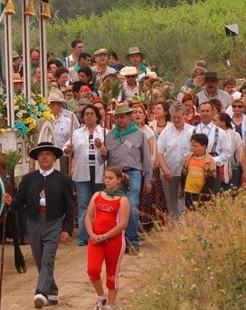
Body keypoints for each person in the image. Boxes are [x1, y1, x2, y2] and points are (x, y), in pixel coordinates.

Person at [3, 142, 74, 309]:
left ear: (54, 157)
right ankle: (53, 292)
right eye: (41, 154)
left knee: (47, 259)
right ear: (37, 158)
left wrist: (66, 228)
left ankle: (41, 292)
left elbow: (70, 206)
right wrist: (10, 202)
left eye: (48, 154)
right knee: (39, 260)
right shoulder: (29, 179)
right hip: (34, 221)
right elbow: (20, 200)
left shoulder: (63, 179)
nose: (44, 157)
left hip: (54, 221)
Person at [103, 103, 152, 254]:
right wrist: (102, 153)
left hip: (133, 173)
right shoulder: (110, 135)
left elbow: (146, 159)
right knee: (115, 207)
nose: (119, 119)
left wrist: (148, 179)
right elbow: (102, 160)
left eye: (122, 116)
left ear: (129, 116)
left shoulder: (139, 134)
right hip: (115, 174)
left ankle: (133, 240)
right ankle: (118, 241)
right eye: (117, 116)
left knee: (131, 205)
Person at [85, 167, 130, 310]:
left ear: (119, 180)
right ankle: (101, 295)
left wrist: (105, 236)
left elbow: (122, 224)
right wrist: (91, 234)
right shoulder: (97, 195)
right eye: (106, 178)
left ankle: (110, 306)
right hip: (96, 239)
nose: (107, 181)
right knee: (92, 270)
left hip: (114, 241)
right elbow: (88, 216)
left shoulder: (123, 200)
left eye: (111, 178)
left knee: (112, 274)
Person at [63, 105, 107, 246]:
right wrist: (68, 149)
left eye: (91, 114)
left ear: (97, 116)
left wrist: (101, 147)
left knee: (99, 204)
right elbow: (66, 149)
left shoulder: (104, 132)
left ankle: (99, 233)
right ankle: (83, 235)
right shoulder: (76, 133)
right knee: (83, 204)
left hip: (99, 172)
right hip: (82, 173)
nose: (88, 116)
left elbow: (108, 152)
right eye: (86, 114)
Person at [157, 104, 195, 220]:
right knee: (171, 201)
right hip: (169, 173)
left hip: (188, 173)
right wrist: (165, 170)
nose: (176, 120)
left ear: (184, 116)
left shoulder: (192, 131)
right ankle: (175, 228)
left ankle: (185, 227)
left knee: (185, 201)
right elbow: (159, 153)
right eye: (174, 117)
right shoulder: (166, 132)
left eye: (179, 117)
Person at [182, 133, 217, 210]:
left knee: (200, 215)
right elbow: (184, 174)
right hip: (188, 191)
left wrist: (202, 195)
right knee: (189, 213)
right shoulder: (189, 158)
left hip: (201, 194)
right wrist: (182, 189)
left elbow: (211, 180)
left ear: (204, 147)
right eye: (192, 146)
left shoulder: (209, 160)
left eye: (195, 146)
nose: (192, 148)